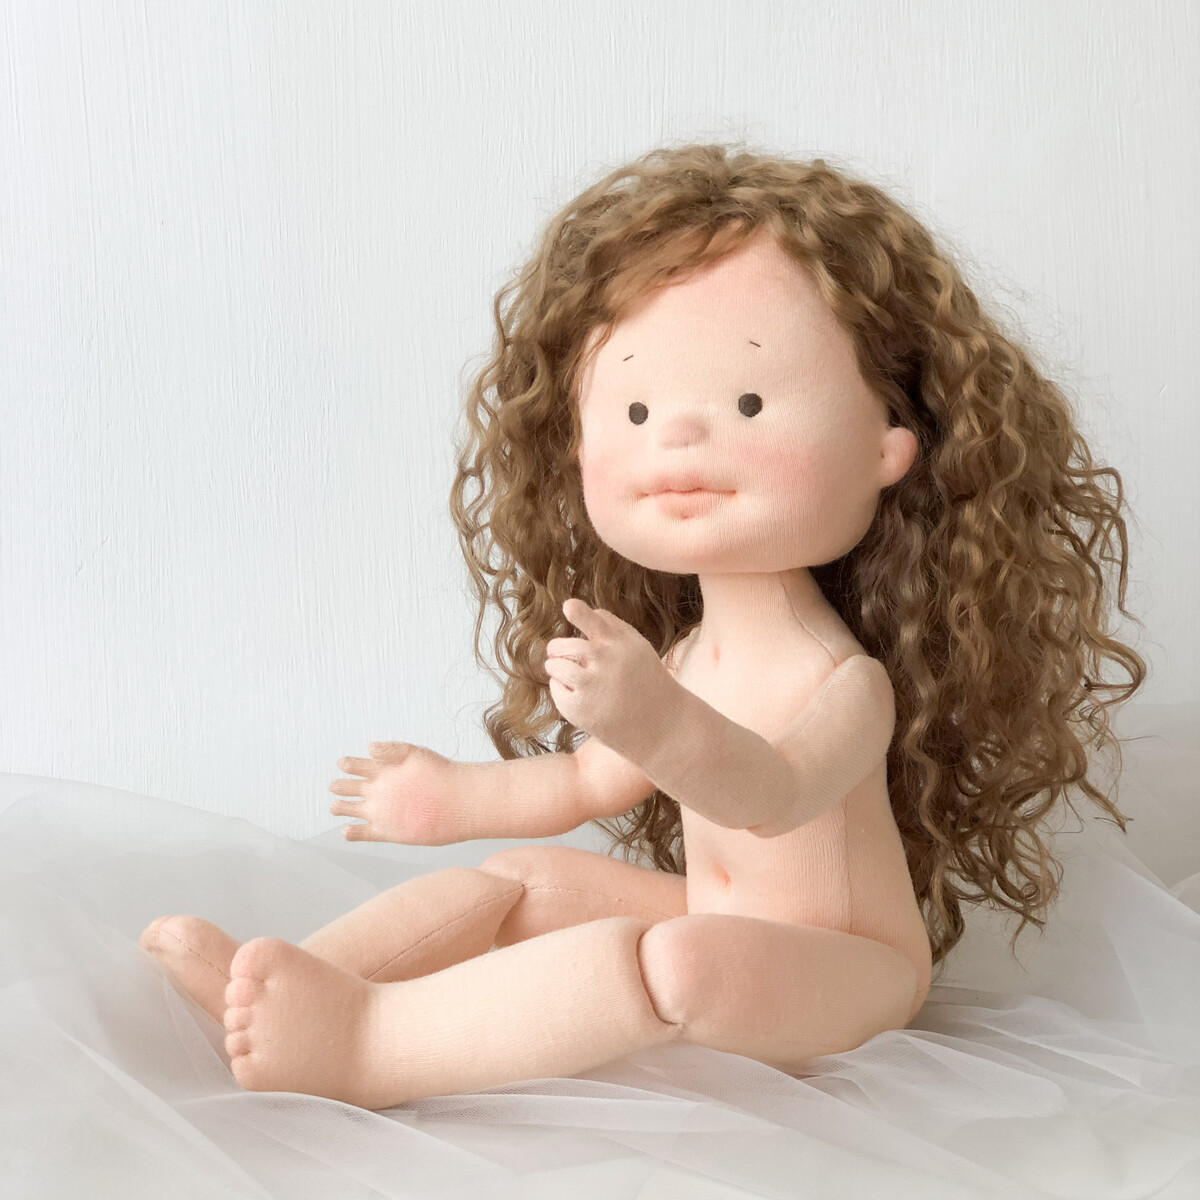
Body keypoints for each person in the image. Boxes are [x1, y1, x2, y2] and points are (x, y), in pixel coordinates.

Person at [139, 141, 1146, 1110]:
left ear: (891, 444)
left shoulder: (846, 680)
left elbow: (774, 795)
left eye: (747, 400)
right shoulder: (689, 656)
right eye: (633, 413)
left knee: (675, 966)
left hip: (850, 969)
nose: (678, 435)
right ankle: (297, 980)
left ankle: (368, 1044)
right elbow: (586, 782)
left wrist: (657, 719)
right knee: (519, 881)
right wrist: (449, 797)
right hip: (718, 912)